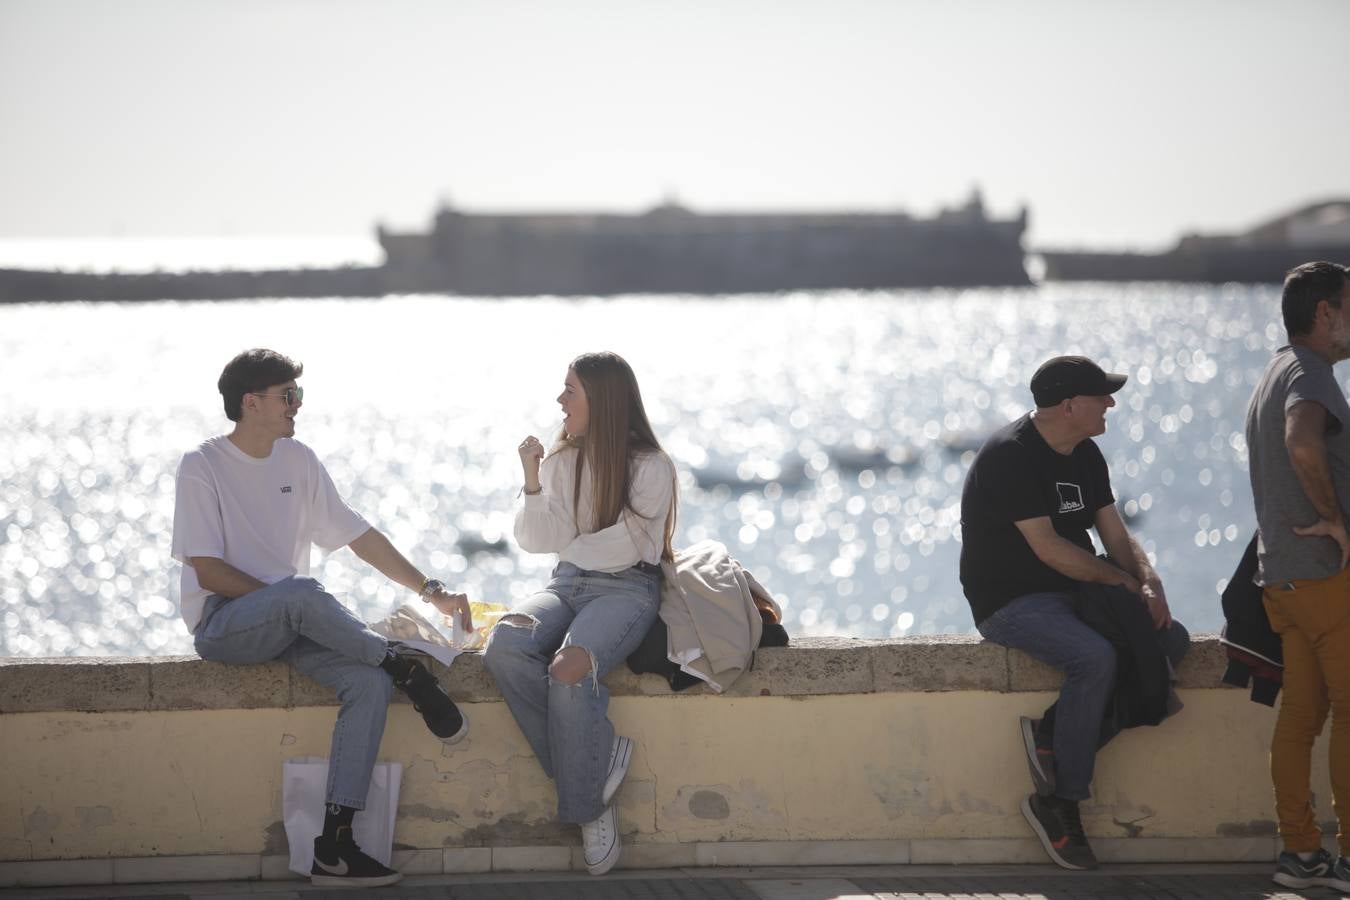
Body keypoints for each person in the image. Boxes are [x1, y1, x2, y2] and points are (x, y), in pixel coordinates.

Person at [171, 348, 473, 888]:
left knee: (367, 684)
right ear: (250, 403)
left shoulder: (299, 459)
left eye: (298, 395)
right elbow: (209, 572)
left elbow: (358, 535)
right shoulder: (202, 465)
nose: (297, 405)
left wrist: (431, 591)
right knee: (302, 592)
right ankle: (405, 668)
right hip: (224, 624)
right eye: (288, 396)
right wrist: (287, 603)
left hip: (291, 620)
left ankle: (335, 844)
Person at [958, 355, 1188, 870]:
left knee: (1170, 642)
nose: (1110, 403)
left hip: (1077, 590)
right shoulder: (1009, 456)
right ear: (1068, 406)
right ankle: (1060, 802)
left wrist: (1149, 585)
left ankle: (1054, 732)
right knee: (1095, 656)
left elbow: (1115, 536)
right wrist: (1124, 583)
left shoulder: (1086, 454)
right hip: (1010, 601)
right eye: (1101, 395)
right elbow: (1049, 549)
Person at [483, 351, 676, 876]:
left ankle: (586, 810)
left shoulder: (652, 468)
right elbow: (536, 538)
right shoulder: (561, 461)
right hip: (565, 584)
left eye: (570, 390)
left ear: (603, 399)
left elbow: (628, 548)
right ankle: (596, 769)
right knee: (505, 644)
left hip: (627, 590)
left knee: (569, 667)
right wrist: (531, 479)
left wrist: (574, 542)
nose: (559, 400)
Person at [1245, 262, 1350, 893]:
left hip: (1283, 580)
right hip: (1321, 579)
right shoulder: (1310, 376)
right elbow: (1303, 445)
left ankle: (1301, 855)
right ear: (1325, 314)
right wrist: (1336, 520)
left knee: (1303, 716)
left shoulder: (1276, 371)